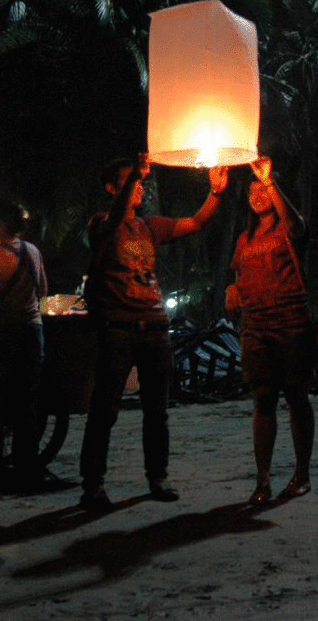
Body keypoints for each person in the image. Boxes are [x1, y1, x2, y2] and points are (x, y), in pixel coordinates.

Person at [78, 152, 228, 512]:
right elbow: (113, 222)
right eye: (131, 181)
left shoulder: (149, 227)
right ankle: (93, 485)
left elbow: (195, 223)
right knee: (105, 409)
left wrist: (216, 193)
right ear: (112, 187)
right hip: (119, 328)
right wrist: (134, 175)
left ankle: (157, 477)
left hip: (155, 328)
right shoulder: (100, 224)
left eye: (141, 181)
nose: (140, 186)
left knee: (156, 410)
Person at [227, 156, 316, 505]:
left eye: (262, 189)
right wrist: (232, 290)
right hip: (256, 329)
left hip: (291, 326)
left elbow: (295, 223)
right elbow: (237, 275)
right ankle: (262, 481)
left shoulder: (288, 229)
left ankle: (302, 474)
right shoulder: (243, 240)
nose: (257, 194)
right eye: (252, 189)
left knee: (296, 398)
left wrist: (269, 180)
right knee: (263, 400)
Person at [0, 199, 48, 492]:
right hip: (32, 333)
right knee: (26, 405)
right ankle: (26, 469)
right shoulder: (33, 251)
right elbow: (43, 290)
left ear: (3, 224)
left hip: (2, 335)